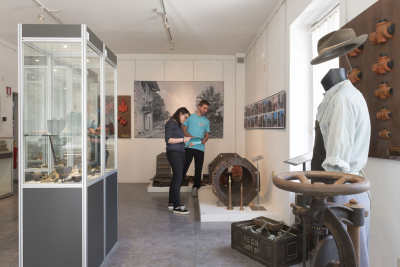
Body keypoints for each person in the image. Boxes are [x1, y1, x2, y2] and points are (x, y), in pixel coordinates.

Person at [310, 29, 371, 266]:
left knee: (347, 255)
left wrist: (322, 197)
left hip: (341, 191)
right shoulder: (341, 96)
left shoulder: (342, 99)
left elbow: (336, 163)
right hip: (344, 190)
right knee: (348, 254)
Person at [165, 107, 194, 214]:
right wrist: (183, 139)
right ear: (180, 113)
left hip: (181, 152)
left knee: (176, 179)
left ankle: (171, 202)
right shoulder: (170, 123)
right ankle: (177, 207)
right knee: (178, 178)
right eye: (185, 117)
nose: (185, 120)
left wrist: (187, 143)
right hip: (174, 153)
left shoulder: (178, 125)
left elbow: (178, 140)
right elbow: (168, 140)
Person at [182, 100, 210, 197]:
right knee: (184, 166)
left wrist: (205, 139)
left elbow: (207, 135)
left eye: (207, 109)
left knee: (198, 169)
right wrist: (192, 138)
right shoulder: (190, 117)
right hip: (189, 146)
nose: (206, 110)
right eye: (204, 108)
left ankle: (196, 187)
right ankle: (178, 184)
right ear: (199, 107)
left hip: (200, 148)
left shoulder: (206, 121)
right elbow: (183, 130)